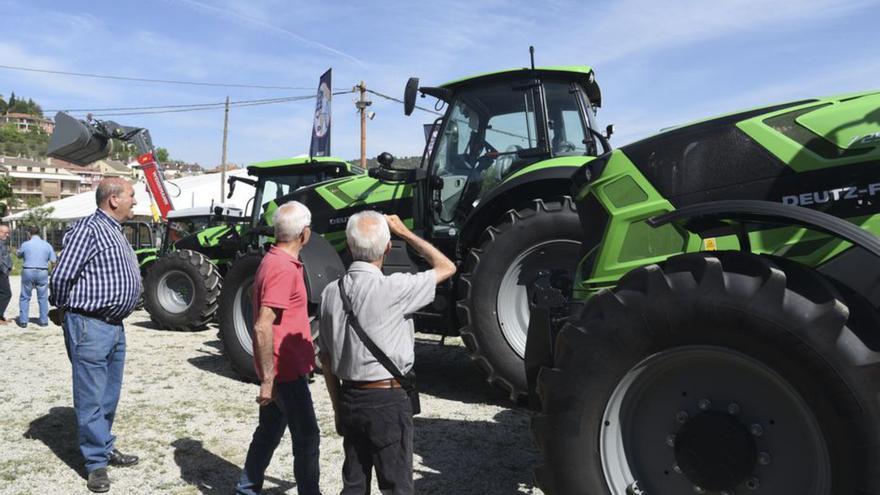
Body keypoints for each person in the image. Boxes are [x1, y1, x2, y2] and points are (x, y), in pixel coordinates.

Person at [318, 212, 456, 495]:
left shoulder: (330, 293)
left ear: (347, 244)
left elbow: (327, 359)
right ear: (387, 248)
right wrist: (405, 232)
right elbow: (446, 267)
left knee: (354, 484)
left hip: (350, 397)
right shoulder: (395, 287)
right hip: (388, 399)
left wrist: (337, 408)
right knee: (396, 486)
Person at [48, 178, 142, 493]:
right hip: (90, 324)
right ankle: (95, 464)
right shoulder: (88, 229)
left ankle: (104, 445)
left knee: (109, 394)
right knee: (90, 397)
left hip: (114, 325)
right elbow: (61, 275)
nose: (135, 201)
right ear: (113, 199)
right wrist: (63, 307)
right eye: (131, 195)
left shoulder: (114, 231)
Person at [235, 201, 321, 495]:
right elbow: (262, 325)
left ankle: (246, 489)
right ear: (304, 233)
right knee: (308, 438)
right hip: (284, 373)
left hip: (282, 370)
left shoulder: (271, 260)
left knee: (269, 433)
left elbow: (252, 294)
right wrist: (268, 381)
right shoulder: (283, 267)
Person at [16, 226, 56, 328]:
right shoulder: (47, 245)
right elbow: (53, 261)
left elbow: (19, 255)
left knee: (25, 296)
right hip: (42, 271)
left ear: (29, 233)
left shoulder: (25, 244)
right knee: (42, 297)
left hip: (28, 270)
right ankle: (43, 321)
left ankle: (24, 321)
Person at [0, 224, 12, 325]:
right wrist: (3, 269)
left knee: (3, 294)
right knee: (6, 294)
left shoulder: (2, 243)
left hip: (3, 271)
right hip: (1, 272)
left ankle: (1, 316)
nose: (7, 235)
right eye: (5, 233)